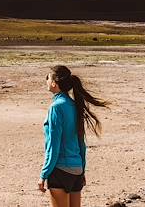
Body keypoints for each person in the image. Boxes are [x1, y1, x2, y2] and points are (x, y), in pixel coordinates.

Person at [38, 65, 108, 207]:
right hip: (76, 170)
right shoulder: (75, 105)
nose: (46, 80)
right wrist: (81, 170)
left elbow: (54, 145)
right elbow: (81, 143)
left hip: (60, 171)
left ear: (54, 83)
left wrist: (44, 174)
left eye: (48, 77)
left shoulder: (56, 107)